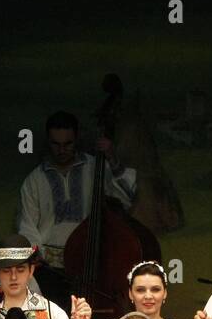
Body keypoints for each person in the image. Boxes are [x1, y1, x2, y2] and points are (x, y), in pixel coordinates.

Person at [16, 110, 136, 269]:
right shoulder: (34, 180)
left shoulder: (96, 167)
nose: (61, 150)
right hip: (50, 267)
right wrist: (36, 256)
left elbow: (125, 198)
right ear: (48, 141)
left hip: (92, 262)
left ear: (76, 139)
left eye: (68, 144)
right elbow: (27, 225)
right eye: (56, 144)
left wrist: (112, 158)